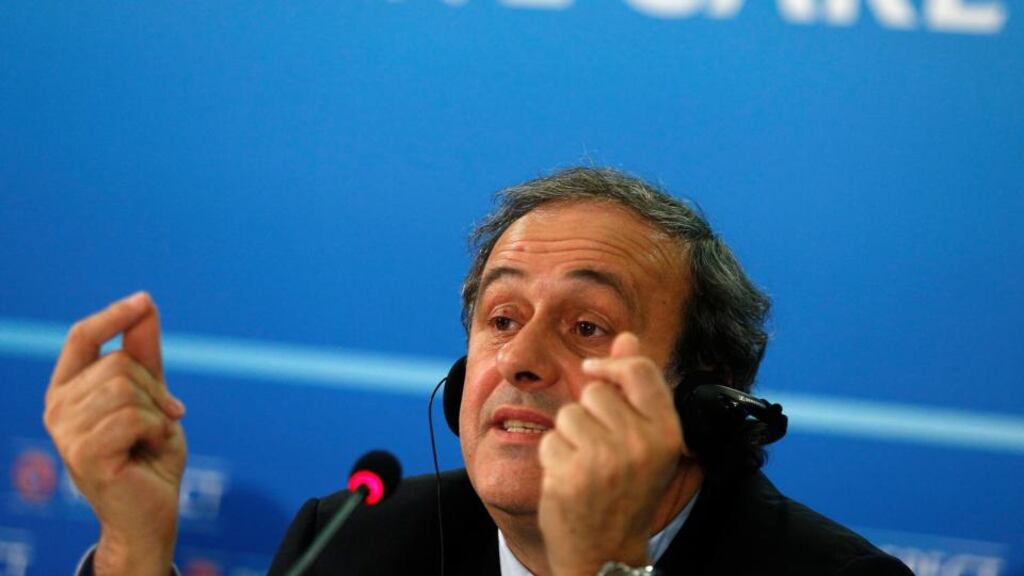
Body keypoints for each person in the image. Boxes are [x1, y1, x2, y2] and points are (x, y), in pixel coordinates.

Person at [45, 167, 911, 575]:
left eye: (586, 327)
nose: (521, 361)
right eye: (501, 319)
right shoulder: (355, 543)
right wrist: (133, 547)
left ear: (696, 403)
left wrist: (600, 570)